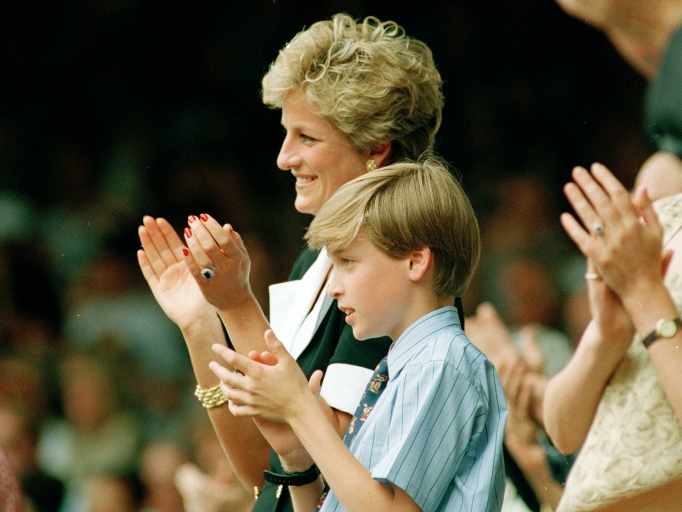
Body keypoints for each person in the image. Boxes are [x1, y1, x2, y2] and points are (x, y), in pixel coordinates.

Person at [137, 13, 445, 512]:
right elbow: (268, 469)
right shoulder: (312, 263)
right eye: (286, 134)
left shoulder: (392, 272)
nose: (283, 157)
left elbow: (330, 472)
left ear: (375, 149)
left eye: (307, 137)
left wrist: (237, 306)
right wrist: (200, 322)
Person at [209, 157, 507, 511]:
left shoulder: (441, 363)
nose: (333, 286)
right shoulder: (400, 370)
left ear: (415, 261)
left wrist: (301, 408)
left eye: (347, 262)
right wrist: (297, 458)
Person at [544, 162, 682, 511]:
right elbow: (562, 432)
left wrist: (645, 293)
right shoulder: (643, 264)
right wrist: (605, 338)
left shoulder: (644, 283)